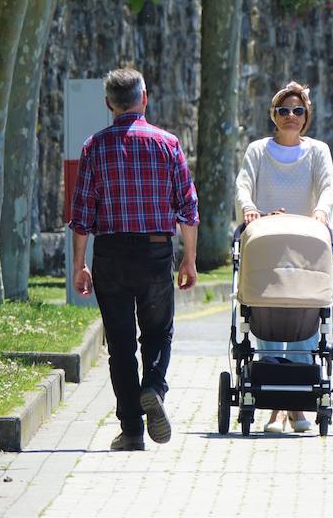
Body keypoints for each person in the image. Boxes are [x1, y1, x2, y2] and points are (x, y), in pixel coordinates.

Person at [69, 68, 199, 451]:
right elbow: (188, 209)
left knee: (121, 345)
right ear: (145, 99)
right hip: (156, 251)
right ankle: (154, 387)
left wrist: (80, 265)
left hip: (110, 254)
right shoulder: (168, 144)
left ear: (109, 104)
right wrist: (188, 260)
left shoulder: (95, 146)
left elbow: (82, 215)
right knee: (158, 332)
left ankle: (131, 431)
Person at [235, 81, 333, 433]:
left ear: (306, 115)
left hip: (307, 247)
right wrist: (251, 209)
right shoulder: (257, 151)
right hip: (268, 244)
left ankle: (296, 405)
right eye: (284, 111)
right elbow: (243, 185)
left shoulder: (317, 152)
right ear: (274, 115)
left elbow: (328, 186)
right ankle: (276, 408)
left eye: (298, 111)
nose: (291, 117)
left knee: (305, 317)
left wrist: (322, 212)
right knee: (266, 316)